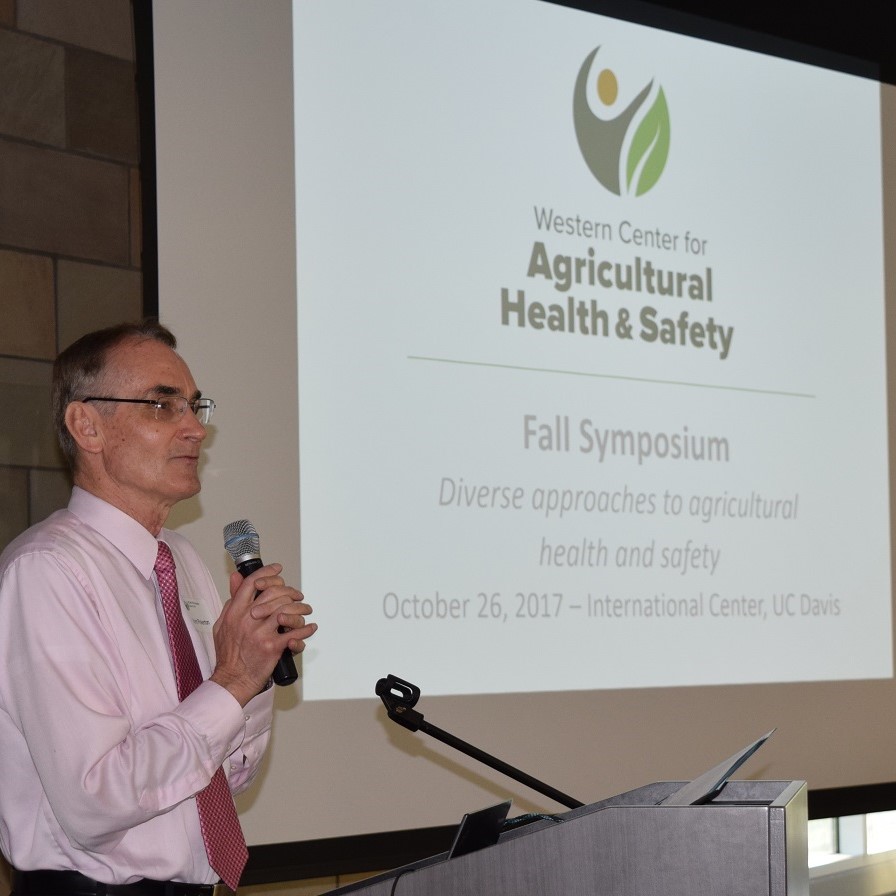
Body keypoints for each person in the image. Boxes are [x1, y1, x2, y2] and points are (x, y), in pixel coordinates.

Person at [0, 320, 316, 896]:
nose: (195, 428)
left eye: (195, 406)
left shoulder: (182, 560)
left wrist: (255, 673)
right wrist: (231, 682)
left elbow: (223, 779)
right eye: (162, 405)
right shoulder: (48, 571)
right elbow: (94, 801)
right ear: (87, 425)